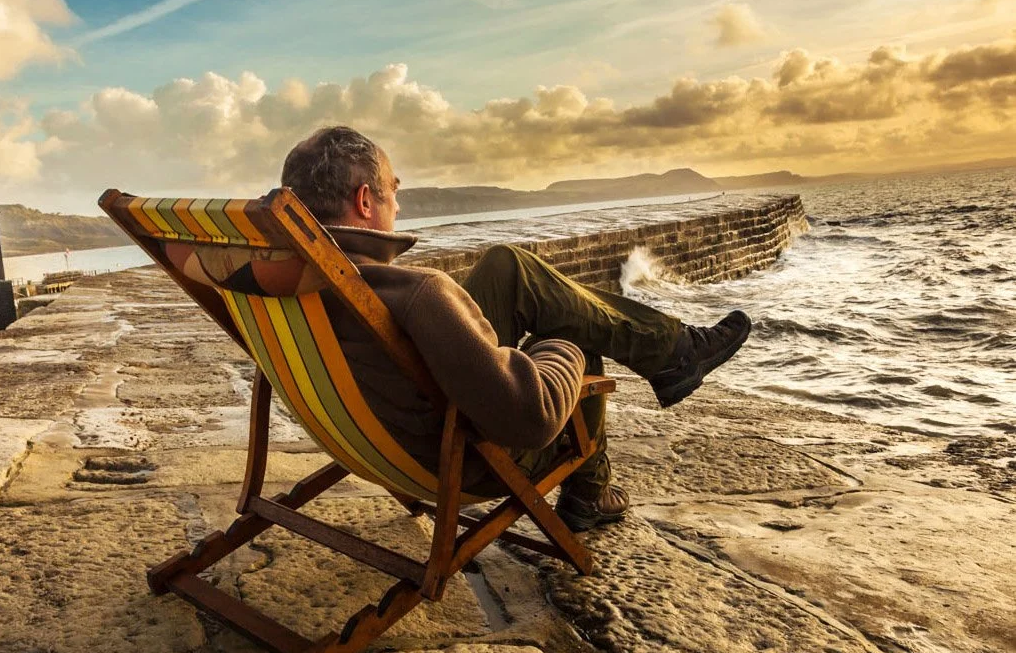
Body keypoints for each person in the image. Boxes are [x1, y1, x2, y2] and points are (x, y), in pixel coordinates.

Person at [280, 126, 750, 531]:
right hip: (458, 455)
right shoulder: (417, 292)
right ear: (365, 200)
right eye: (394, 190)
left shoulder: (280, 282)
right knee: (578, 327)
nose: (398, 206)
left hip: (377, 426)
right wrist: (562, 348)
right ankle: (599, 476)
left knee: (507, 266)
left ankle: (673, 350)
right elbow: (530, 418)